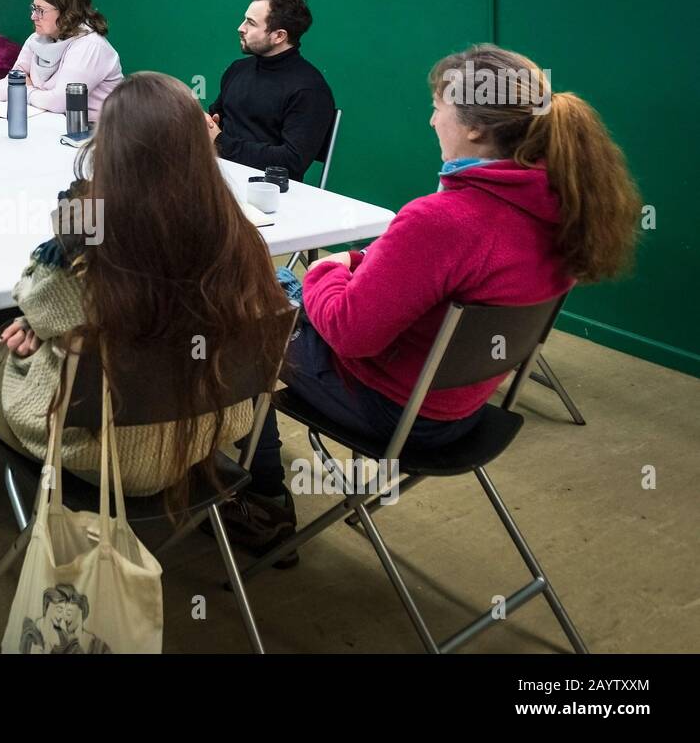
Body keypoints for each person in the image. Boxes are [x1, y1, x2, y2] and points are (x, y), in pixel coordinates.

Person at [231, 44, 641, 559]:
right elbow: (431, 272)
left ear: (472, 127)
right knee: (274, 288)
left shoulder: (443, 219)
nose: (430, 120)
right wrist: (362, 266)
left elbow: (349, 333)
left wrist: (324, 271)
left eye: (438, 106)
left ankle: (261, 501)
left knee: (230, 317)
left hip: (393, 409)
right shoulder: (564, 206)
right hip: (465, 408)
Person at [0, 72, 294, 514]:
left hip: (92, 450)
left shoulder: (87, 233)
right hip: (196, 438)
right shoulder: (239, 236)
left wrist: (42, 318)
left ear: (109, 146)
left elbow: (34, 297)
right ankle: (267, 494)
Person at [204, 0, 336, 180]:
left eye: (251, 23)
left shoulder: (310, 90)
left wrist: (220, 141)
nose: (240, 28)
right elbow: (217, 121)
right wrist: (207, 125)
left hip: (269, 191)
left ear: (279, 36)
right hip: (218, 176)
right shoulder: (238, 69)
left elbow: (291, 163)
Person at [0, 0, 122, 121]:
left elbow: (60, 102)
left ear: (67, 12)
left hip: (96, 135)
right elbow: (13, 82)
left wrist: (26, 90)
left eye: (41, 10)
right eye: (34, 8)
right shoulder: (37, 38)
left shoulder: (90, 46)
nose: (33, 16)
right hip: (52, 124)